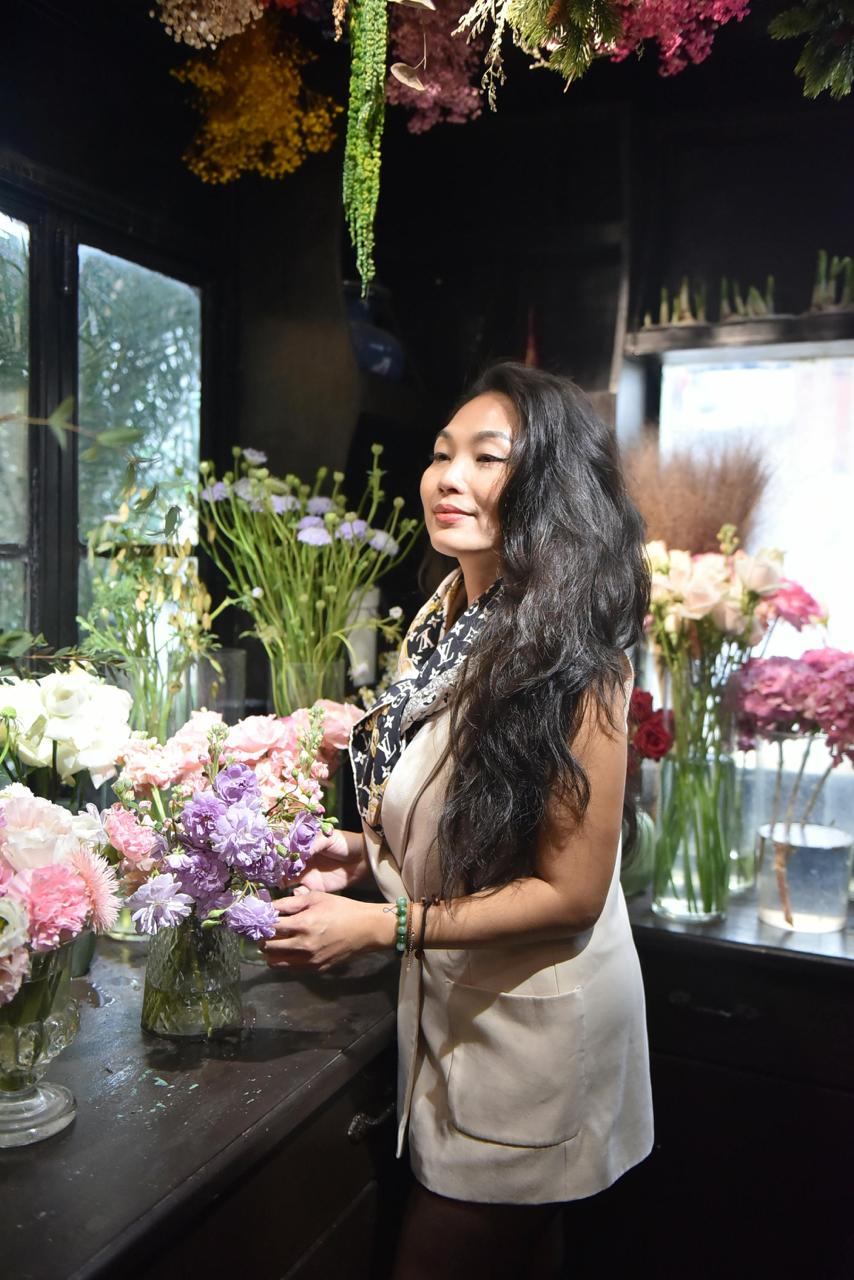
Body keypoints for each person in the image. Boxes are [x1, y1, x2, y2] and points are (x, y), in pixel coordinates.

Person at [263, 362, 654, 1279]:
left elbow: (571, 895)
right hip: (460, 1013)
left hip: (531, 1037)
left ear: (547, 482)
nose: (448, 477)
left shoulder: (578, 660)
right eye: (442, 454)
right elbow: (458, 809)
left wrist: (383, 923)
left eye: (487, 457)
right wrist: (363, 851)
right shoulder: (443, 625)